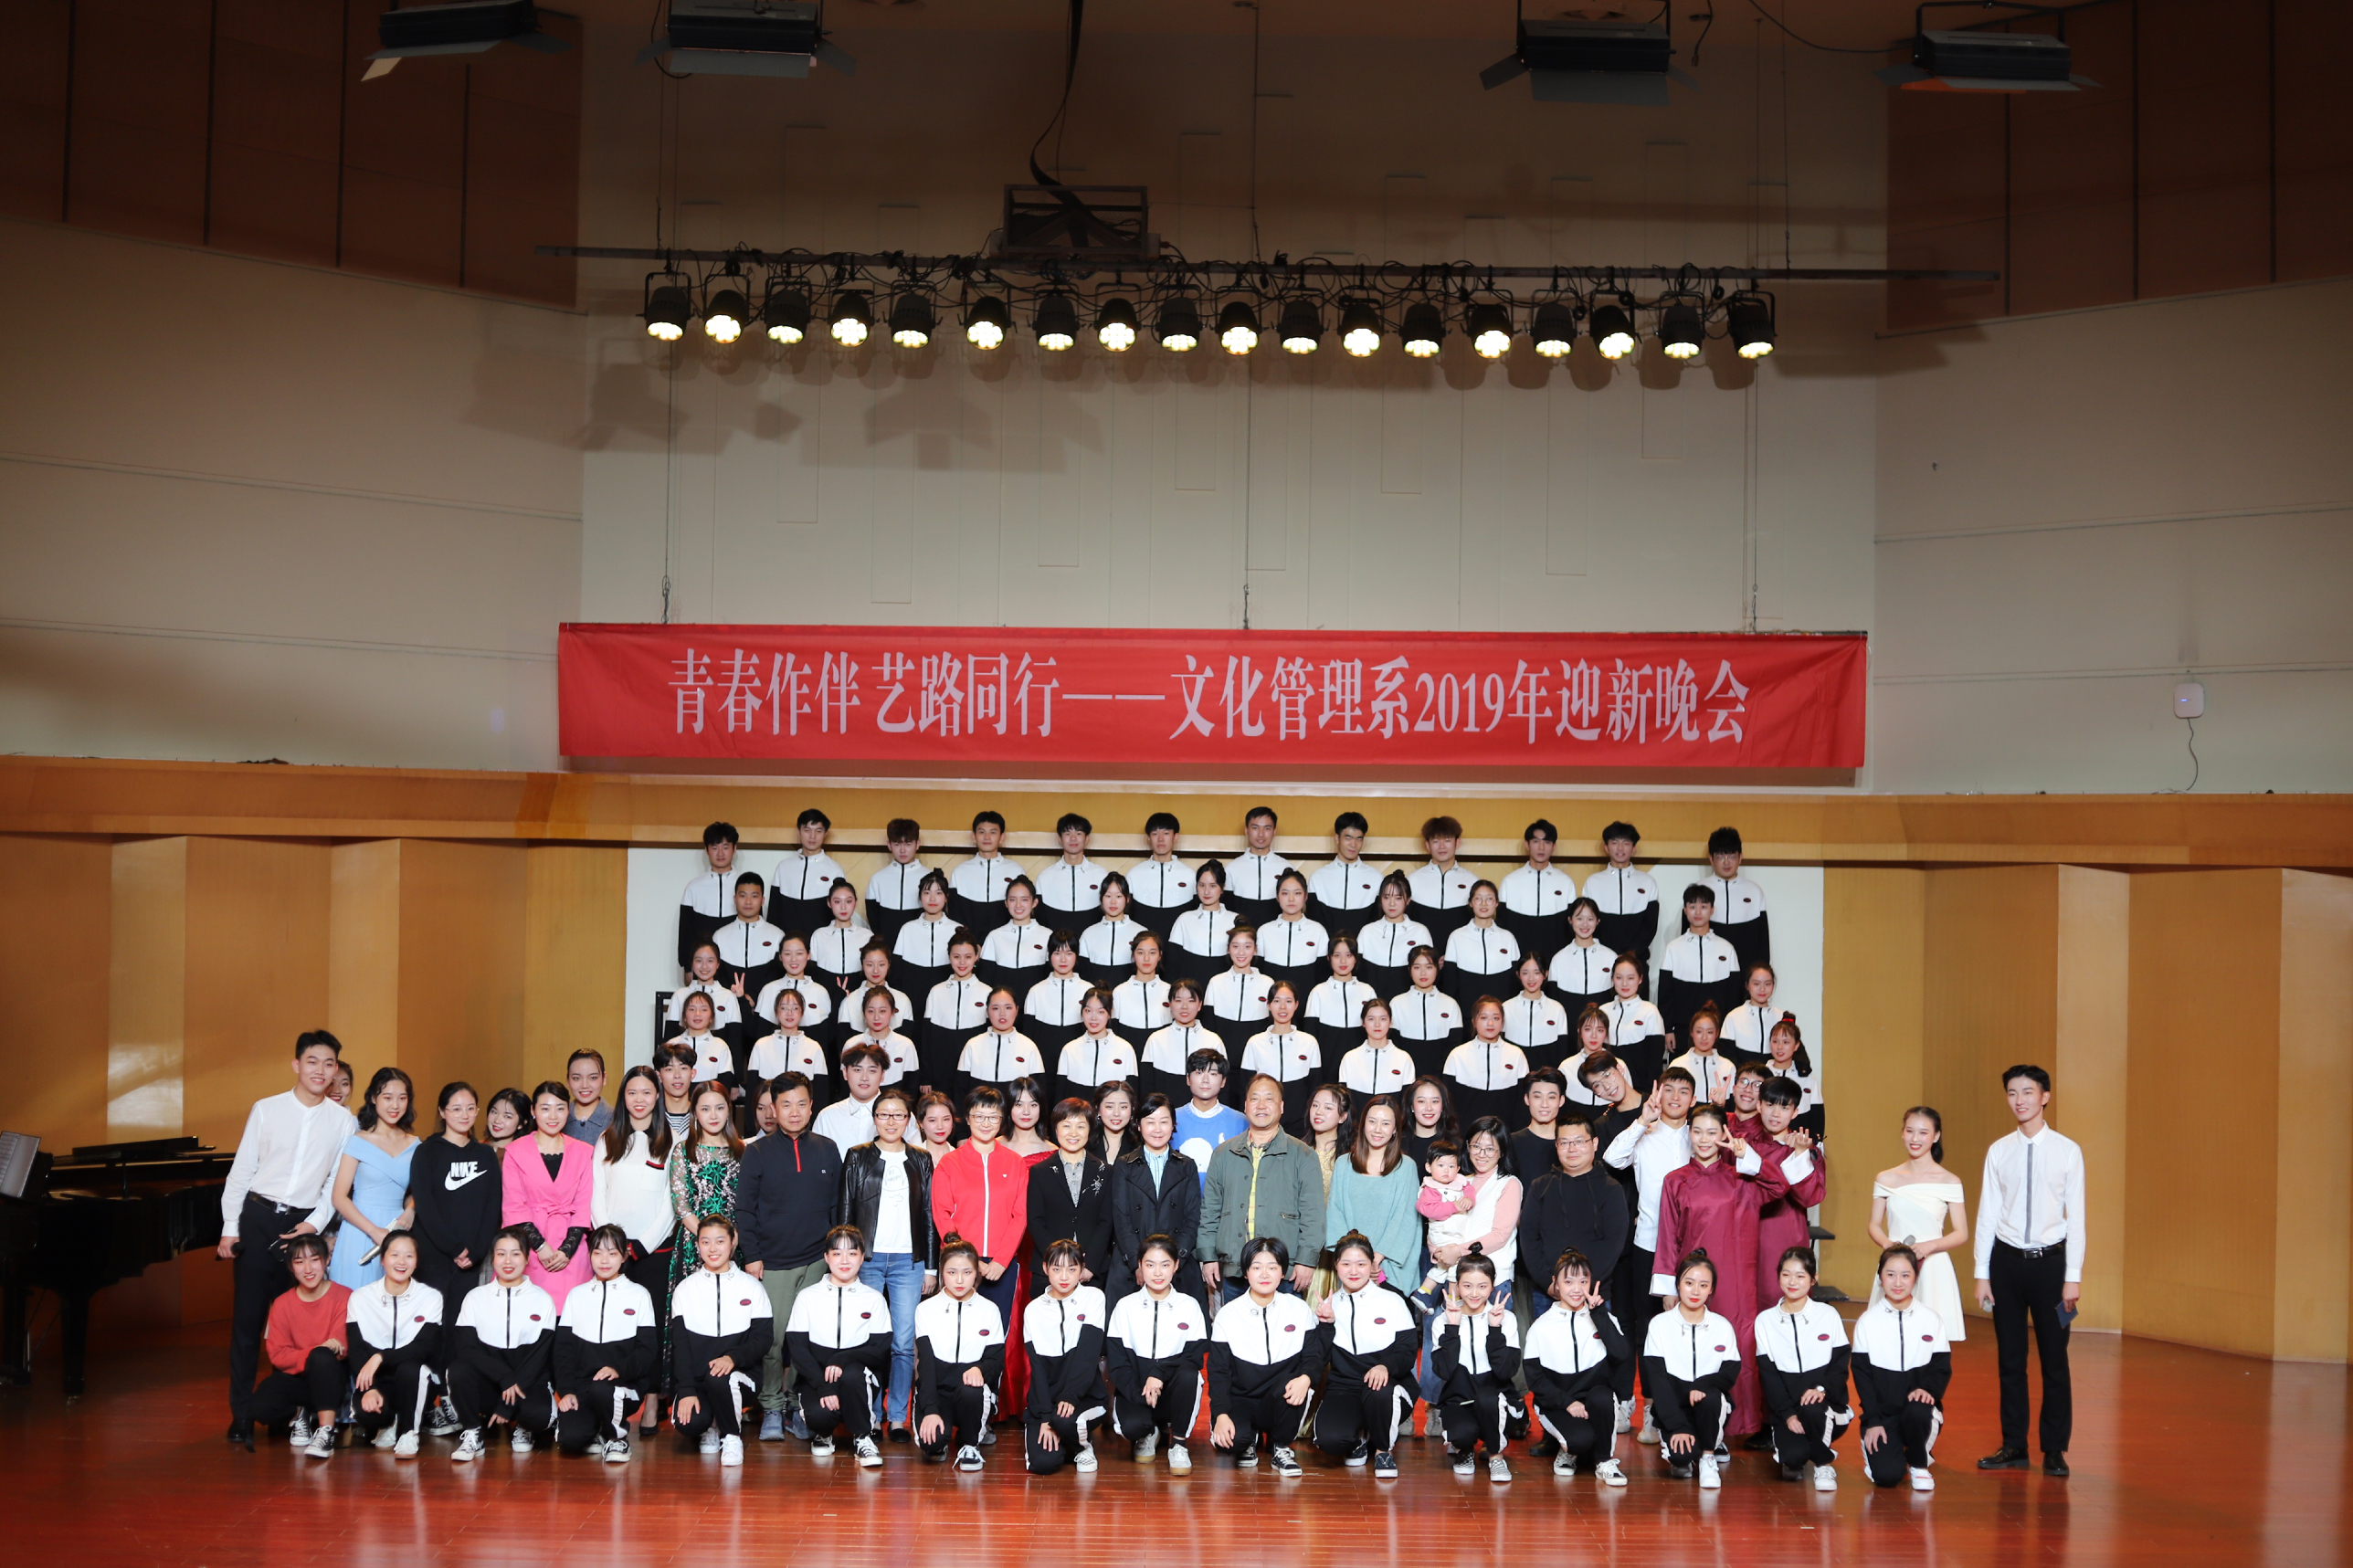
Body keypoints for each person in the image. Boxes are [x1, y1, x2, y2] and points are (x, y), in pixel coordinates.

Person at [218, 1029, 353, 1446]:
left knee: (291, 1324)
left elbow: (335, 1184)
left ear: (335, 1070)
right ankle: (242, 1414)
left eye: (329, 1064)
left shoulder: (343, 1121)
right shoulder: (266, 1109)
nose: (320, 1070)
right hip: (258, 1217)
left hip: (302, 1225)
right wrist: (230, 1228)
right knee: (248, 1323)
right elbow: (241, 1172)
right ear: (297, 1064)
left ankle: (284, 1410)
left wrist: (313, 1224)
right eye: (312, 1061)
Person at [1973, 1063, 2084, 1478]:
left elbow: (2078, 1219)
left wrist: (2073, 1276)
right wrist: (1982, 1272)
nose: (2019, 1100)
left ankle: (2054, 1449)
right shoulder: (1999, 1151)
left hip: (2052, 1266)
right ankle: (2014, 1445)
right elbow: (1987, 1214)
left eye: (2027, 1092)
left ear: (2045, 1097)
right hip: (2005, 1264)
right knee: (2010, 1359)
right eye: (2012, 1093)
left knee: (2055, 1361)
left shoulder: (2068, 1151)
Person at [1648, 1102, 1767, 1440]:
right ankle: (1683, 1425)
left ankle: (1731, 1426)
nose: (1703, 1139)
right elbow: (1667, 1236)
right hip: (1691, 1279)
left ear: (1724, 1135)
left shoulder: (1740, 1177)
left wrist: (1747, 1155)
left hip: (1733, 1276)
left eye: (1712, 1132)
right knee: (1687, 1351)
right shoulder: (1676, 1180)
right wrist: (1668, 1288)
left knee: (1733, 1348)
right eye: (1697, 1131)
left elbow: (1779, 1188)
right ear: (1688, 1133)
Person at [734, 1071, 842, 1440]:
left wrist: (833, 1257)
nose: (793, 1112)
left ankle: (797, 1404)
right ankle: (770, 1405)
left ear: (811, 1107)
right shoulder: (757, 1151)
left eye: (801, 1104)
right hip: (773, 1262)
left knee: (806, 1340)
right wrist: (752, 1256)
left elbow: (836, 1206)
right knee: (774, 1340)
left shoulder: (828, 1148)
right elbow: (745, 1209)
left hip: (817, 1261)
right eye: (785, 1105)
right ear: (773, 1110)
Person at [1603, 1068, 1695, 1441]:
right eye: (1668, 1089)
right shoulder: (1644, 1132)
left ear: (1693, 1098)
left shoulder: (1700, 1134)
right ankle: (1642, 1405)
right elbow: (1612, 1159)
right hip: (1648, 1242)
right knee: (1645, 1326)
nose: (1675, 1097)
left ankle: (1675, 1408)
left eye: (1683, 1091)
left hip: (1693, 1248)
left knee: (1684, 1327)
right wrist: (1642, 1121)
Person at [841, 1086, 937, 1443]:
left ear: (909, 1120)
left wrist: (931, 1268)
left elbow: (928, 1215)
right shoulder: (857, 1156)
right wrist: (845, 1260)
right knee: (867, 1338)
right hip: (866, 1260)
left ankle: (897, 1417)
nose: (891, 1121)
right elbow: (846, 1212)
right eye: (884, 1114)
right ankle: (868, 1414)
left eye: (899, 1115)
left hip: (908, 1262)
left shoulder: (921, 1158)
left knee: (903, 1341)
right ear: (875, 1118)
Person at [589, 1066, 673, 1426]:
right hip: (612, 1255)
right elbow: (597, 1195)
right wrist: (612, 1246)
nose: (639, 1100)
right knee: (614, 1328)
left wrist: (642, 1245)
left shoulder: (670, 1140)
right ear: (623, 1097)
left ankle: (651, 1403)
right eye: (632, 1093)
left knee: (650, 1329)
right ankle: (611, 1400)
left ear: (657, 1097)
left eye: (646, 1093)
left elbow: (672, 1202)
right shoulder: (607, 1139)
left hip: (654, 1252)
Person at [1198, 1078, 1322, 1302]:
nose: (1261, 1105)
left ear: (1281, 1106)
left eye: (1269, 1099)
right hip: (1234, 1266)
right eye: (1254, 1099)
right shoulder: (1223, 1153)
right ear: (1245, 1106)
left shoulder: (1303, 1155)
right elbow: (1210, 1210)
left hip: (1285, 1269)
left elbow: (1313, 1215)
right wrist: (1208, 1257)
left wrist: (1306, 1260)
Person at [1207, 1236, 1323, 1474]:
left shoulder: (1298, 1309)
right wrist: (1221, 1414)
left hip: (1279, 1397)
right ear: (1246, 1272)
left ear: (1283, 1272)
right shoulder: (1228, 1314)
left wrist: (1306, 1378)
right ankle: (1249, 1438)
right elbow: (1218, 1372)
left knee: (1296, 1384)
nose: (1264, 1274)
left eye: (1272, 1267)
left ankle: (1281, 1446)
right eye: (1257, 1267)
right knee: (1231, 1443)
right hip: (1241, 1398)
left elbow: (1313, 1356)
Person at [1516, 1114, 1630, 1347]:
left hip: (1594, 1295)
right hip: (1548, 1293)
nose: (1572, 1149)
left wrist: (1580, 1287)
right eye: (1565, 1143)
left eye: (1579, 1141)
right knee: (1549, 1358)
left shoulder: (1611, 1188)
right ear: (1556, 1145)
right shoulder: (1540, 1186)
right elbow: (1528, 1239)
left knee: (1596, 1360)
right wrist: (1551, 1285)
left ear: (1594, 1143)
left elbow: (1613, 1244)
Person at [782, 1224, 891, 1465]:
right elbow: (798, 1349)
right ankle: (824, 1434)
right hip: (817, 1377)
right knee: (819, 1416)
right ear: (826, 1257)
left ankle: (863, 1437)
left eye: (852, 1253)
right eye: (837, 1253)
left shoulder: (873, 1299)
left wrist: (842, 1359)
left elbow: (880, 1350)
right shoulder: (808, 1297)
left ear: (862, 1257)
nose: (844, 1260)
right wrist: (823, 1386)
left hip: (857, 1377)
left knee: (852, 1375)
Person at [1312, 1232, 1418, 1477]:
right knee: (1329, 1441)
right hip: (1345, 1387)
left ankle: (1383, 1450)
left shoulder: (1392, 1300)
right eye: (1346, 1264)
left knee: (1380, 1391)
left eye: (1361, 1264)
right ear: (1336, 1265)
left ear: (1372, 1265)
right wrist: (1326, 1326)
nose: (1353, 1271)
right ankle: (1361, 1436)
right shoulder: (1328, 1305)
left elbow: (1407, 1351)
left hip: (1388, 1388)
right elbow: (1317, 1358)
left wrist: (1385, 1366)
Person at [672, 1214, 775, 1467]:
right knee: (690, 1423)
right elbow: (680, 1347)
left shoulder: (752, 1287)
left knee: (720, 1378)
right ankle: (711, 1426)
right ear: (698, 1245)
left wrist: (732, 1358)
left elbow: (763, 1339)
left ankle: (731, 1436)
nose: (713, 1249)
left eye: (720, 1241)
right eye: (705, 1242)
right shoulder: (685, 1289)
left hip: (741, 1377)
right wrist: (686, 1391)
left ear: (732, 1242)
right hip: (700, 1381)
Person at [448, 1226, 558, 1461]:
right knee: (458, 1370)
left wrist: (508, 1403)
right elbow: (467, 1350)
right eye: (501, 1254)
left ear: (527, 1259)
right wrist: (503, 1377)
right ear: (493, 1258)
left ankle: (524, 1427)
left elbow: (539, 1358)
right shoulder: (475, 1298)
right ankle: (473, 1433)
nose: (508, 1261)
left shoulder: (543, 1300)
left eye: (515, 1254)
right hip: (491, 1383)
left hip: (528, 1384)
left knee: (539, 1416)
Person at [932, 1087, 1029, 1350]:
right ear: (968, 1118)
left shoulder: (1015, 1163)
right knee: (955, 1334)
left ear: (1002, 1120)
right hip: (959, 1263)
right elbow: (941, 1213)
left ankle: (989, 1379)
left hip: (1001, 1265)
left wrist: (1001, 1260)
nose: (986, 1123)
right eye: (979, 1116)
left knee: (994, 1334)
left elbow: (1020, 1215)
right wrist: (968, 1258)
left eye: (993, 1117)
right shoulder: (950, 1163)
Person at [551, 1226, 659, 1462]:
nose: (604, 1260)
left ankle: (617, 1437)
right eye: (598, 1253)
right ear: (589, 1255)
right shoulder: (576, 1295)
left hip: (623, 1385)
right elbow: (563, 1350)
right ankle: (598, 1427)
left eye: (612, 1253)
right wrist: (567, 1391)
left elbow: (647, 1350)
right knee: (571, 1439)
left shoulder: (639, 1295)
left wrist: (618, 1369)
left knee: (603, 1389)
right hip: (584, 1386)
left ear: (624, 1256)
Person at [1523, 1248, 1630, 1484]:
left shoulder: (1603, 1318)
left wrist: (1599, 1315)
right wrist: (1567, 1402)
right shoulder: (1541, 1327)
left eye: (1583, 1281)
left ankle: (1604, 1461)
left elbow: (1622, 1355)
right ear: (1556, 1284)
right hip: (1558, 1404)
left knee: (1603, 1396)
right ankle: (1569, 1449)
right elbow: (1535, 1380)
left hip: (1594, 1401)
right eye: (1569, 1281)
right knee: (1580, 1441)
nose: (1576, 1289)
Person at [1105, 1235, 1208, 1471]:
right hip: (1137, 1391)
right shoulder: (1125, 1306)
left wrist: (1159, 1373)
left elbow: (1193, 1357)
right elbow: (1118, 1363)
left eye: (1165, 1264)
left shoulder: (1189, 1306)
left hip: (1172, 1391)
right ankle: (1149, 1431)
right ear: (1140, 1265)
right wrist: (1140, 1396)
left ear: (1176, 1266)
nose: (1158, 1273)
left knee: (1189, 1375)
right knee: (1133, 1427)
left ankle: (1178, 1443)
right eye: (1150, 1265)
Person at [1640, 1249, 1740, 1487]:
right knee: (1681, 1459)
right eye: (1689, 1283)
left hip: (1708, 1407)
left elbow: (1730, 1373)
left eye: (1703, 1285)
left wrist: (1702, 1384)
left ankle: (1708, 1455)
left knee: (1711, 1396)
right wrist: (1677, 1426)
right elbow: (1658, 1381)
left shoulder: (1722, 1326)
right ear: (1678, 1285)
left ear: (1711, 1289)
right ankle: (1693, 1446)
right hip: (1673, 1408)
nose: (1696, 1291)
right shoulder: (1659, 1325)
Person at [1869, 1105, 1969, 1341]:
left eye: (1923, 1133)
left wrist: (1929, 1246)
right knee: (1889, 1338)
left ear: (1936, 1136)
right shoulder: (1886, 1178)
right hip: (1895, 1265)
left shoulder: (1950, 1181)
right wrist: (1889, 1246)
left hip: (1933, 1267)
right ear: (1902, 1133)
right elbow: (1874, 1224)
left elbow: (1961, 1233)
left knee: (1930, 1340)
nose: (1915, 1138)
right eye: (1910, 1131)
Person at [1857, 1244, 1951, 1492]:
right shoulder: (1867, 1322)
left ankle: (1919, 1464)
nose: (1898, 1282)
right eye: (1890, 1274)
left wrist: (1928, 1389)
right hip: (1883, 1416)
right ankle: (1887, 1451)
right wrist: (1873, 1420)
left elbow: (1941, 1367)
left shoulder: (1931, 1320)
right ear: (1880, 1277)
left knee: (1919, 1410)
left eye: (1905, 1275)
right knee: (1887, 1476)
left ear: (1915, 1278)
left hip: (1917, 1412)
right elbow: (1863, 1377)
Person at [1754, 1245, 1849, 1490]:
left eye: (1800, 1275)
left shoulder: (1828, 1315)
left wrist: (1821, 1388)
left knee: (1814, 1409)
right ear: (1778, 1277)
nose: (1792, 1282)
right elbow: (1769, 1376)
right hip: (1789, 1412)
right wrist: (1788, 1415)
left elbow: (1840, 1366)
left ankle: (1823, 1464)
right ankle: (1804, 1449)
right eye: (1786, 1274)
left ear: (1813, 1279)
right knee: (1793, 1460)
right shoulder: (1765, 1321)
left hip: (1824, 1406)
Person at [249, 1234, 351, 1458]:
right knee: (260, 1407)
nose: (308, 1269)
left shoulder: (343, 1296)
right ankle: (299, 1413)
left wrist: (317, 1354)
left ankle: (326, 1431)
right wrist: (318, 1351)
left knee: (323, 1359)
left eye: (314, 1260)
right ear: (291, 1267)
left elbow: (340, 1346)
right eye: (299, 1262)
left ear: (326, 1260)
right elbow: (278, 1355)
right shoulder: (282, 1303)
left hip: (332, 1378)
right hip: (297, 1379)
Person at [346, 1231, 443, 1457]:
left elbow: (423, 1348)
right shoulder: (360, 1298)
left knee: (410, 1368)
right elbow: (356, 1349)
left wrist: (380, 1357)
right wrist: (370, 1388)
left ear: (416, 1262)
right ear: (382, 1259)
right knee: (367, 1414)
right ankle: (388, 1424)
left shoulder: (431, 1297)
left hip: (414, 1379)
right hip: (378, 1381)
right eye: (394, 1255)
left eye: (409, 1256)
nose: (401, 1262)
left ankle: (410, 1432)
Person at [913, 1237, 1007, 1470]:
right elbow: (925, 1365)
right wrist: (931, 1411)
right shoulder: (925, 1309)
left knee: (971, 1390)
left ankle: (970, 1443)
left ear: (976, 1274)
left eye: (967, 1272)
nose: (959, 1280)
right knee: (932, 1444)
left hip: (971, 1393)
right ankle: (944, 1435)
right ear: (942, 1272)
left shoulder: (989, 1310)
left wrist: (979, 1369)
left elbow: (996, 1360)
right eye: (952, 1272)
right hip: (938, 1391)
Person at [408, 1081, 498, 1324]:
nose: (464, 1115)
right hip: (434, 1255)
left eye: (470, 1108)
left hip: (472, 1258)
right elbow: (425, 1207)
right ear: (442, 1112)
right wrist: (454, 1248)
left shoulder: (485, 1154)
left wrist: (476, 1252)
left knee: (462, 1324)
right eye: (456, 1109)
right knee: (430, 1322)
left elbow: (492, 1207)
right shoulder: (427, 1152)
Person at [1429, 1248, 1522, 1481]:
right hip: (1458, 1399)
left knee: (1488, 1398)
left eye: (1482, 1286)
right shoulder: (1442, 1320)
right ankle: (1464, 1449)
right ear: (1457, 1285)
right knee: (1462, 1434)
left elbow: (1506, 1371)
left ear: (1492, 1286)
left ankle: (1496, 1456)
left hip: (1496, 1402)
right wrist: (1452, 1328)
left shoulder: (1506, 1318)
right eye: (1467, 1286)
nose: (1474, 1293)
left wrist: (1494, 1329)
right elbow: (1444, 1370)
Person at [505, 1082, 596, 1308]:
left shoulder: (584, 1151)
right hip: (528, 1247)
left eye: (560, 1108)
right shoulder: (515, 1151)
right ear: (533, 1111)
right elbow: (514, 1206)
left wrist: (567, 1250)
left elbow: (584, 1205)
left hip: (571, 1249)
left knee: (571, 1316)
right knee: (528, 1313)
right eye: (545, 1108)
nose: (553, 1116)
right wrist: (541, 1247)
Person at [1021, 1239, 1108, 1474]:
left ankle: (1082, 1447)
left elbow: (1087, 1355)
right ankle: (1065, 1438)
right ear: (1045, 1268)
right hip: (1047, 1402)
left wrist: (1071, 1395)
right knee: (1043, 1464)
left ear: (1082, 1269)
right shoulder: (1033, 1310)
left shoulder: (1094, 1298)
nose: (1064, 1276)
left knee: (1065, 1420)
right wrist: (1045, 1417)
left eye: (1071, 1269)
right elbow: (1037, 1368)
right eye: (1057, 1268)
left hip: (1084, 1398)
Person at [328, 1066, 419, 1288]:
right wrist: (373, 1231)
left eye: (402, 1098)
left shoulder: (416, 1145)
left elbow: (422, 1190)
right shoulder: (358, 1141)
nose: (395, 1105)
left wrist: (410, 1210)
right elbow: (339, 1197)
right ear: (373, 1098)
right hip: (359, 1228)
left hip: (397, 1228)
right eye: (387, 1097)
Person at [1751, 1080, 1826, 1330]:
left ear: (1795, 1112)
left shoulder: (1806, 1149)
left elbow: (1810, 1197)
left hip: (1785, 1234)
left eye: (1784, 1107)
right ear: (1759, 1105)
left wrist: (1800, 1155)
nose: (1775, 1113)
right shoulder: (1745, 1145)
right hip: (1747, 1234)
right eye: (1770, 1104)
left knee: (1785, 1302)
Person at [1113, 1094, 1201, 1300]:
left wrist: (1173, 1262)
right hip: (1131, 1265)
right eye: (1150, 1122)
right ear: (1139, 1125)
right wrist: (1138, 1263)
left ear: (1173, 1125)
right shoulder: (1124, 1165)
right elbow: (1121, 1218)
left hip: (1178, 1265)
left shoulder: (1187, 1166)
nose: (1157, 1129)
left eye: (1164, 1122)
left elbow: (1192, 1218)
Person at [1325, 1096, 1419, 1288]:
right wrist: (1358, 1260)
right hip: (1351, 1265)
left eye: (1386, 1123)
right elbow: (1335, 1213)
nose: (1377, 1129)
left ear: (1395, 1129)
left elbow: (1405, 1219)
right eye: (1372, 1121)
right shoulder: (1343, 1164)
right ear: (1363, 1125)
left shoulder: (1406, 1167)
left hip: (1389, 1267)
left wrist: (1376, 1258)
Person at [665, 1081, 743, 1292]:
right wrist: (708, 1241)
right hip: (694, 1241)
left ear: (729, 1109)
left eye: (720, 1108)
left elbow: (748, 1203)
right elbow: (681, 1206)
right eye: (705, 1109)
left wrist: (731, 1239)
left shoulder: (743, 1151)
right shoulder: (683, 1151)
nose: (713, 1115)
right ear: (695, 1113)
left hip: (734, 1241)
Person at [1029, 1099, 1114, 1287]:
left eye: (1081, 1126)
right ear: (1056, 1129)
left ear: (1090, 1130)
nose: (1073, 1133)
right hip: (1048, 1269)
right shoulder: (1039, 1172)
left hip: (1092, 1270)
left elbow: (1106, 1221)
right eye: (1066, 1125)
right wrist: (1058, 1263)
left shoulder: (1105, 1171)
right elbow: (1035, 1221)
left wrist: (1090, 1264)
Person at [1657, 884, 1744, 1042]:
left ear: (1712, 910)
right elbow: (1665, 994)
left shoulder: (1726, 948)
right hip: (1682, 1030)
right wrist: (1668, 1029)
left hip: (1717, 1030)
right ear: (1685, 910)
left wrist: (1729, 1030)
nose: (1698, 912)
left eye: (1703, 907)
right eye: (1692, 907)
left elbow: (1733, 995)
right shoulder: (1673, 948)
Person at [1241, 981, 1324, 1133]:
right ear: (1268, 1005)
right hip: (1264, 1121)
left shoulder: (1309, 1042)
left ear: (1296, 1004)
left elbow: (1314, 1087)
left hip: (1300, 1125)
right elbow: (1246, 1088)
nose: (1283, 1007)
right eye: (1277, 1001)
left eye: (1288, 1001)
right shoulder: (1255, 1043)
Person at [1496, 819, 1576, 967]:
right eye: (1536, 841)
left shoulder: (1565, 882)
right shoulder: (1510, 882)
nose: (1541, 847)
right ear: (1527, 845)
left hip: (1556, 961)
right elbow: (1502, 927)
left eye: (1547, 842)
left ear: (1554, 846)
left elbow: (1570, 929)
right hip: (1518, 962)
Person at [1442, 996, 1530, 1128]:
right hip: (1466, 1133)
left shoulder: (1516, 1055)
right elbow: (1448, 1103)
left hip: (1505, 1134)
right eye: (1484, 1018)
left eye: (1496, 1018)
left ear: (1503, 1022)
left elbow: (1522, 1104)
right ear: (1474, 1021)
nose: (1490, 1023)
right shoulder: (1457, 1055)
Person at [920, 931, 990, 1093]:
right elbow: (926, 1038)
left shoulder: (987, 992)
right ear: (949, 957)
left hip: (974, 1072)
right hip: (940, 1072)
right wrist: (926, 1077)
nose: (962, 962)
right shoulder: (936, 991)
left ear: (976, 957)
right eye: (956, 956)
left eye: (968, 956)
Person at [1583, 822, 1659, 961]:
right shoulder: (1593, 882)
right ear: (1606, 848)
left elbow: (1649, 926)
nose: (1620, 848)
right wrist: (1604, 954)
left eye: (1626, 843)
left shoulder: (1648, 882)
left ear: (1634, 848)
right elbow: (1587, 923)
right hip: (1600, 959)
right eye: (1614, 842)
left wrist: (1632, 953)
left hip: (1636, 960)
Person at [1442, 881, 1523, 1012]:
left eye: (1489, 899)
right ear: (1470, 903)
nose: (1483, 903)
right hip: (1466, 1015)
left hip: (1501, 1015)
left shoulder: (1508, 938)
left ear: (1497, 903)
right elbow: (1449, 984)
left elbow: (1515, 983)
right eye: (1478, 899)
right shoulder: (1456, 937)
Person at [1698, 826, 1769, 972]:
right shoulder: (1699, 891)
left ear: (1740, 857)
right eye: (1720, 856)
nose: (1726, 862)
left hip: (1746, 972)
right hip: (1709, 970)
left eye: (1732, 856)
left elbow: (1762, 942)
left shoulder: (1754, 891)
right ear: (1711, 859)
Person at [1141, 978, 1221, 1106]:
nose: (1184, 1006)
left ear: (1200, 1005)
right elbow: (1146, 1088)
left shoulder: (1213, 1041)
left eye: (1191, 1001)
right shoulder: (1155, 1040)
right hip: (1164, 1114)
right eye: (1178, 1000)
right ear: (1170, 1004)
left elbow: (1222, 1088)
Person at [715, 871, 788, 1010]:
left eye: (754, 896)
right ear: (735, 899)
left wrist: (754, 997)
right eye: (743, 896)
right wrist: (736, 998)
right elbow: (718, 975)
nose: (748, 902)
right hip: (728, 1008)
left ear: (762, 900)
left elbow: (778, 974)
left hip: (766, 1008)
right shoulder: (720, 936)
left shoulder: (777, 935)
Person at [1355, 872, 1431, 1001]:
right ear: (1380, 899)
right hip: (1373, 1005)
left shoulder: (1421, 932)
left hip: (1409, 1004)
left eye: (1398, 898)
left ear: (1408, 900)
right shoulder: (1367, 932)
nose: (1392, 903)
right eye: (1386, 897)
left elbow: (1429, 975)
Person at [1390, 946, 1466, 1078]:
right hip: (1406, 1076)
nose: (1423, 973)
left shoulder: (1451, 1004)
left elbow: (1455, 1045)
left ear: (1437, 969)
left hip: (1441, 1077)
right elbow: (1394, 1046)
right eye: (1417, 967)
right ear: (1409, 970)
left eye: (1429, 967)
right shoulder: (1396, 1004)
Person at [747, 988, 830, 1104]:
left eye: (795, 1008)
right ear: (776, 1012)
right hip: (769, 1112)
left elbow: (821, 1093)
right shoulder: (761, 1045)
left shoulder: (814, 1047)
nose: (789, 1013)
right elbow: (752, 1090)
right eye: (784, 1008)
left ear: (802, 1013)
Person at [678, 822, 743, 969]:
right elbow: (686, 933)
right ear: (706, 850)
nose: (720, 853)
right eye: (714, 847)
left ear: (734, 848)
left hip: (736, 962)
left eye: (725, 847)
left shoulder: (745, 885)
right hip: (704, 966)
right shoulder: (694, 887)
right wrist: (687, 967)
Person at [1173, 1049, 1246, 1180]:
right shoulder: (1171, 1119)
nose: (1205, 1080)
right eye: (1199, 1072)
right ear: (1188, 1079)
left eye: (1213, 1074)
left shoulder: (1241, 1121)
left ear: (1223, 1081)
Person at [1203, 925, 1275, 1058]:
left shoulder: (1268, 983)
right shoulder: (1216, 982)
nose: (1241, 953)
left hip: (1257, 1058)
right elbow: (1208, 1027)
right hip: (1220, 1059)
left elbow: (1271, 1026)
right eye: (1235, 946)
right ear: (1228, 949)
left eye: (1247, 946)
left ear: (1255, 949)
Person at [1257, 870, 1332, 996]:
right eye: (1285, 893)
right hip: (1273, 1002)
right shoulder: (1264, 931)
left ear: (1306, 896)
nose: (1291, 899)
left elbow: (1322, 975)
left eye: (1297, 893)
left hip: (1307, 1002)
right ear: (1277, 897)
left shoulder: (1318, 931)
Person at [1407, 816, 1477, 947]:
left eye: (1447, 840)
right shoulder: (1412, 880)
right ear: (1427, 845)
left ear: (1457, 843)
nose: (1442, 846)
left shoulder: (1472, 882)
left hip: (1461, 953)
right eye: (1436, 841)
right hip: (1422, 955)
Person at [1304, 810, 1381, 931]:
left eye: (1359, 839)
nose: (1353, 844)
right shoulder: (1318, 878)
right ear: (1337, 838)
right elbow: (1314, 923)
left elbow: (1377, 923)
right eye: (1348, 838)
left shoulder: (1376, 878)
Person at [1600, 953, 1666, 1094]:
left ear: (1640, 979)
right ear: (1612, 979)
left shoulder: (1650, 1012)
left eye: (1630, 978)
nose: (1625, 984)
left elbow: (1654, 1062)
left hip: (1640, 1091)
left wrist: (1647, 1095)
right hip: (1606, 1091)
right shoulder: (1603, 1011)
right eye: (1619, 978)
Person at [891, 869, 958, 1006]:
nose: (932, 899)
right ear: (920, 897)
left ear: (946, 897)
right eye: (927, 893)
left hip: (948, 998)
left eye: (938, 893)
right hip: (912, 997)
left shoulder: (957, 930)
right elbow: (897, 973)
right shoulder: (907, 929)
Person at [1303, 934, 1377, 1058]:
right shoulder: (1318, 992)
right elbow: (1310, 1036)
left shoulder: (1367, 991)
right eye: (1337, 955)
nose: (1343, 961)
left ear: (1356, 958)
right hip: (1327, 1062)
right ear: (1329, 958)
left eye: (1349, 955)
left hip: (1361, 1061)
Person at [1126, 811, 1198, 938]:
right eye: (1155, 834)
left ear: (1175, 837)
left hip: (1178, 943)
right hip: (1143, 945)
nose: (1160, 839)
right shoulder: (1134, 874)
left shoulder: (1190, 876)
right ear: (1148, 838)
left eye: (1166, 833)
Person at [1167, 859, 1238, 985]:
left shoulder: (1236, 921)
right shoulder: (1184, 920)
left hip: (1225, 989)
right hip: (1191, 991)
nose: (1206, 892)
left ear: (1222, 888)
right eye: (1202, 885)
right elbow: (1172, 965)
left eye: (1213, 886)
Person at [865, 817, 931, 949]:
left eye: (908, 844)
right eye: (897, 844)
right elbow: (873, 918)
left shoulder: (929, 878)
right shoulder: (877, 879)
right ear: (889, 845)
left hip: (921, 945)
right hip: (886, 948)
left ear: (917, 844)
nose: (902, 850)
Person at [838, 986, 920, 1091]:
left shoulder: (905, 1045)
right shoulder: (852, 1044)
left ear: (892, 1012)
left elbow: (912, 1087)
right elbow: (845, 1087)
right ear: (864, 1013)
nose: (876, 1017)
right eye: (871, 1011)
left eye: (882, 1011)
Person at [978, 877, 1051, 989]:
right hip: (1002, 1000)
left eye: (1024, 900)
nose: (1018, 905)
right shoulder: (994, 936)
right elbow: (985, 981)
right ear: (1006, 903)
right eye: (1012, 900)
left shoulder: (1048, 936)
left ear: (1034, 902)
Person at [1223, 805, 1292, 924]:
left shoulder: (1286, 868)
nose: (1261, 834)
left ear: (1274, 832)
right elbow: (1226, 911)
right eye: (1255, 828)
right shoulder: (1231, 869)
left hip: (1277, 933)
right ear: (1246, 831)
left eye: (1267, 828)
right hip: (1241, 934)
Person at [1547, 899, 1618, 1014]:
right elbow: (1553, 1004)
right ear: (1570, 920)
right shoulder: (1558, 959)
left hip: (1603, 1022)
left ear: (1598, 921)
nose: (1585, 924)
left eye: (1590, 919)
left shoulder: (1611, 957)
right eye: (1579, 918)